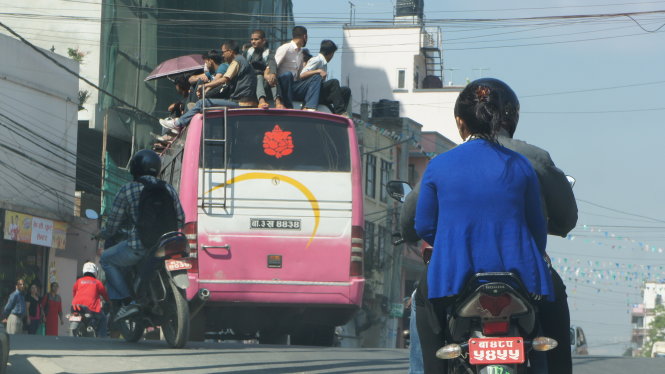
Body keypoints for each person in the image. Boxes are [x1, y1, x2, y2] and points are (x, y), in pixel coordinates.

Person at [403, 78, 576, 374]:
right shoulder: (522, 164)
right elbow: (536, 230)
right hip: (521, 274)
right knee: (555, 302)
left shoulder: (441, 164)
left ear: (461, 122)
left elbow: (423, 224)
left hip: (454, 273)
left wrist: (452, 242)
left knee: (423, 303)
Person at [97, 149, 185, 320]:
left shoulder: (127, 190)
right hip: (169, 244)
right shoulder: (168, 188)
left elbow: (113, 224)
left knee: (106, 259)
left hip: (140, 246)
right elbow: (181, 218)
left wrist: (103, 234)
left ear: (135, 168)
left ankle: (128, 301)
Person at [275, 26, 322, 110]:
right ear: (305, 36)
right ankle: (288, 106)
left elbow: (299, 76)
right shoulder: (285, 48)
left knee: (316, 77)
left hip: (293, 86)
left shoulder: (300, 53)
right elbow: (273, 67)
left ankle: (309, 107)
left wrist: (313, 73)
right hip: (282, 86)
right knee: (287, 75)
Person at [300, 39, 351, 115]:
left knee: (346, 91)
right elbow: (302, 75)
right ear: (330, 53)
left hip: (320, 93)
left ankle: (339, 113)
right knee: (334, 82)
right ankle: (340, 112)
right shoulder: (317, 60)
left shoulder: (323, 63)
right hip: (312, 92)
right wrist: (318, 71)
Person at [245, 29, 284, 109]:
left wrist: (272, 74)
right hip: (251, 83)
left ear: (263, 41)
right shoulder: (248, 53)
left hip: (266, 83)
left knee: (272, 78)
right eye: (252, 39)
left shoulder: (268, 52)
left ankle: (278, 102)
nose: (253, 41)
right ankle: (262, 101)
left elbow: (272, 63)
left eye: (256, 39)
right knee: (259, 76)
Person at [72, 262, 110, 337]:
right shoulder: (97, 283)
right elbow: (105, 295)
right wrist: (109, 301)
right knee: (103, 318)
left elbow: (74, 292)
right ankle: (102, 338)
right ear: (95, 271)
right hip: (91, 308)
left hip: (76, 306)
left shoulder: (79, 281)